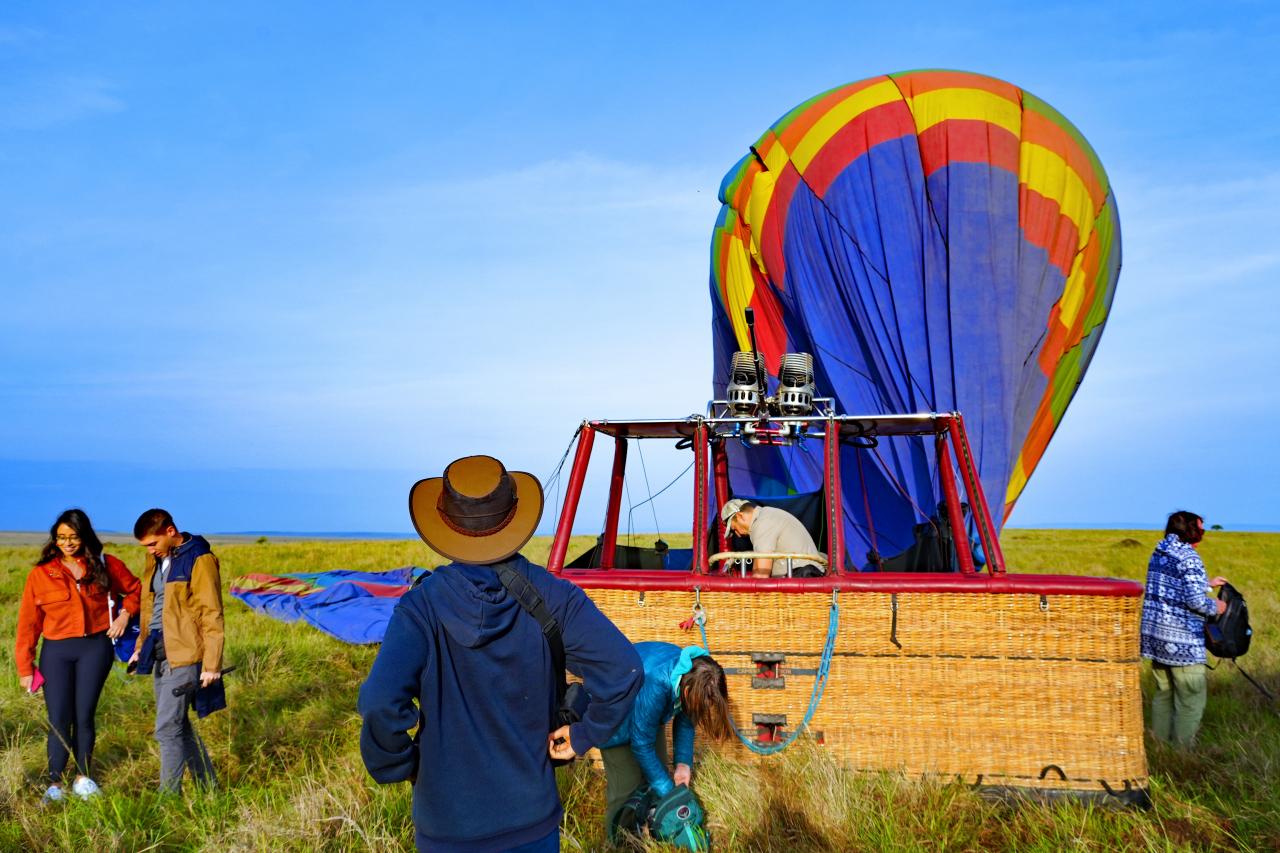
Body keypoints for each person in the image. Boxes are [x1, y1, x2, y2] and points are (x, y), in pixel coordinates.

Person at [358, 454, 643, 852]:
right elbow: (624, 670)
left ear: (447, 523)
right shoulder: (555, 595)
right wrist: (584, 734)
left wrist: (400, 765)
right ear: (514, 516)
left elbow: (379, 701)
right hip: (532, 822)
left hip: (447, 826)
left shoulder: (419, 608)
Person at [15, 509, 141, 803]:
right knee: (59, 717)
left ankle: (83, 778)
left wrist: (124, 614)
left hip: (95, 649)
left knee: (84, 715)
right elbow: (28, 624)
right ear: (54, 539)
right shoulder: (40, 574)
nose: (67, 543)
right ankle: (55, 783)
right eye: (61, 537)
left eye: (73, 537)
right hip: (56, 652)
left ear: (84, 536)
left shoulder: (106, 564)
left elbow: (138, 591)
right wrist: (25, 668)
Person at [128, 508, 225, 793]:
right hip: (158, 650)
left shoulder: (199, 559)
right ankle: (209, 789)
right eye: (145, 546)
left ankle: (168, 797)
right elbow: (151, 607)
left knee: (167, 729)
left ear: (170, 531)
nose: (150, 550)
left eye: (152, 543)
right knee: (179, 725)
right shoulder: (156, 559)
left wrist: (212, 664)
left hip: (185, 654)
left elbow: (212, 613)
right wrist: (139, 648)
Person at [598, 642, 732, 840]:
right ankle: (619, 842)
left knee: (658, 776)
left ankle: (651, 831)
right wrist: (670, 794)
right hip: (613, 721)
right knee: (626, 787)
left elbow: (686, 720)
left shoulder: (693, 675)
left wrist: (683, 765)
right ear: (686, 692)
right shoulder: (658, 682)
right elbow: (641, 743)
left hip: (646, 714)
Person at [1140, 510, 1227, 747]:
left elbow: (1171, 585)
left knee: (1163, 695)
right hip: (1183, 643)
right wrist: (1217, 606)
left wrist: (1206, 584)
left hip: (1156, 639)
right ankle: (1181, 753)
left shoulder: (1160, 550)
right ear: (1190, 531)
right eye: (1200, 529)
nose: (1202, 533)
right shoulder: (1189, 557)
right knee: (1190, 700)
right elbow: (1195, 601)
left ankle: (1159, 747)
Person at [721, 499, 826, 577]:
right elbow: (757, 569)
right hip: (804, 574)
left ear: (740, 516)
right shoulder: (765, 515)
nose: (738, 534)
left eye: (734, 529)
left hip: (802, 577)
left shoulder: (762, 523)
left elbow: (761, 575)